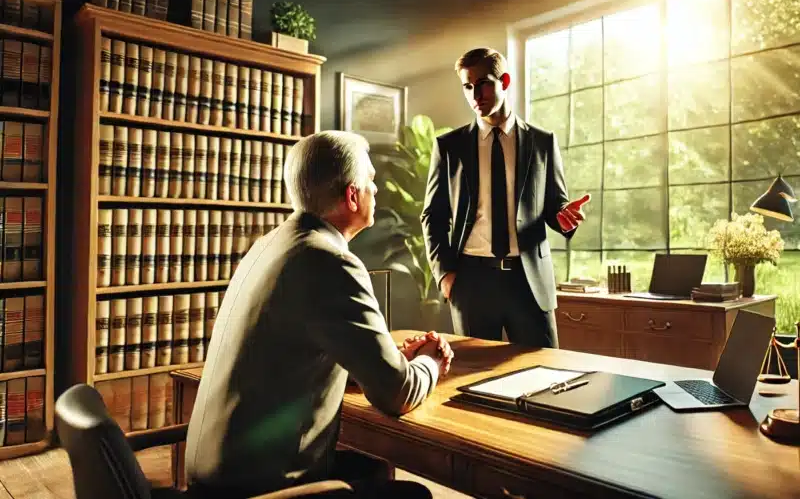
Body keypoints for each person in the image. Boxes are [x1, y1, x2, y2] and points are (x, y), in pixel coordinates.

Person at [184, 131, 454, 499]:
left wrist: (385, 360)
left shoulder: (271, 245)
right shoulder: (330, 261)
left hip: (219, 472)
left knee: (373, 470)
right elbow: (398, 394)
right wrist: (430, 361)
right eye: (372, 182)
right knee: (415, 495)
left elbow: (296, 350)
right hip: (262, 486)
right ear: (352, 195)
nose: (377, 191)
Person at [421, 47, 590, 348]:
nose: (475, 94)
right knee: (471, 380)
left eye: (483, 83)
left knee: (545, 375)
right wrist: (445, 273)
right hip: (472, 282)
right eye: (467, 86)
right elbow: (433, 216)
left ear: (505, 81)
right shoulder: (449, 147)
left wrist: (565, 217)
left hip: (529, 281)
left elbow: (555, 207)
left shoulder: (542, 143)